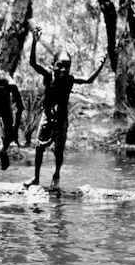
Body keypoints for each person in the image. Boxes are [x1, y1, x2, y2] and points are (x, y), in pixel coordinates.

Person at [24, 26, 106, 188]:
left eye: (67, 66)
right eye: (60, 65)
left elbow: (88, 80)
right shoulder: (48, 76)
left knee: (58, 150)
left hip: (61, 119)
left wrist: (101, 66)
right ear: (53, 64)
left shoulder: (69, 80)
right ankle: (36, 178)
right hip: (47, 117)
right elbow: (33, 63)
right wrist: (34, 42)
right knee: (39, 146)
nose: (63, 69)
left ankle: (56, 175)